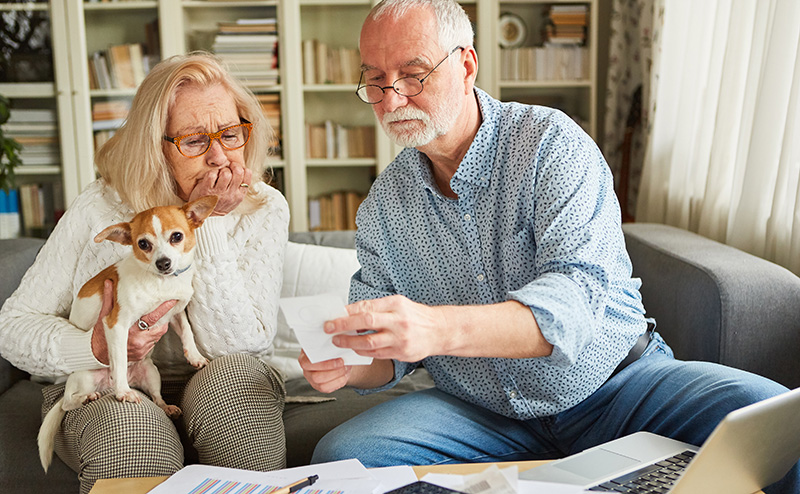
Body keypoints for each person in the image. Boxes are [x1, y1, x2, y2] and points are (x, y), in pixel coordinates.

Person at [299, 1, 799, 492]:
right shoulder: (385, 204)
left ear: (467, 63)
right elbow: (390, 357)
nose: (391, 99)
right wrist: (350, 365)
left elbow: (572, 306)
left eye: (413, 74)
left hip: (616, 388)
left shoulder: (550, 143)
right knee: (345, 459)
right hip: (484, 415)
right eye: (376, 80)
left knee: (777, 421)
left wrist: (435, 329)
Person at [0, 52, 289, 493]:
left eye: (230, 134)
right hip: (106, 381)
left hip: (215, 374)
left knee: (236, 387)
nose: (218, 156)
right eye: (194, 141)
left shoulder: (264, 207)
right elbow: (12, 329)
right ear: (155, 145)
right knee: (130, 431)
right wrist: (94, 348)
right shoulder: (100, 207)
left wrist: (200, 222)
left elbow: (241, 345)